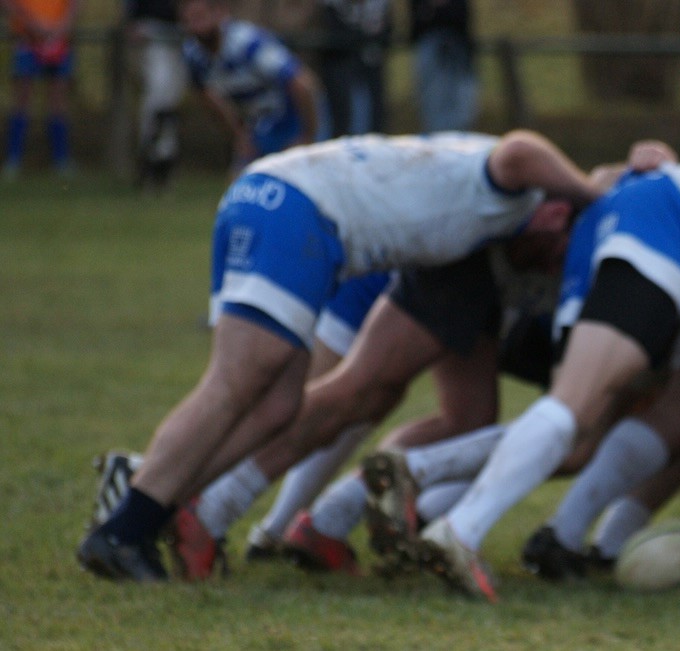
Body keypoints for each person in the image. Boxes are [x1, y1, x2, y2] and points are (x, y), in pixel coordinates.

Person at [75, 129, 599, 582]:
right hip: (295, 207)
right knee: (237, 380)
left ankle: (152, 503)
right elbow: (519, 150)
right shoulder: (520, 194)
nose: (556, 267)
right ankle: (125, 527)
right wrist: (591, 191)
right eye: (561, 251)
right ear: (556, 215)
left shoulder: (506, 223)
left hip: (306, 222)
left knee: (278, 405)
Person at [361, 142, 680, 602]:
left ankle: (422, 473)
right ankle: (459, 529)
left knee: (614, 423)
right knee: (574, 411)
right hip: (673, 227)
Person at [178, 0, 322, 172]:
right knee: (242, 186)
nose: (196, 27)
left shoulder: (247, 43)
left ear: (220, 13)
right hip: (259, 123)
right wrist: (239, 135)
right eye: (189, 20)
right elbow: (206, 96)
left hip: (292, 116)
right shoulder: (193, 54)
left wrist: (307, 136)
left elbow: (302, 82)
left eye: (201, 17)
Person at [2, 0, 78, 178]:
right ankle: (13, 160)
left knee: (58, 100)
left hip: (59, 40)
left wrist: (61, 27)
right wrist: (33, 24)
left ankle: (62, 160)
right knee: (21, 99)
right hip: (27, 39)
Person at [124, 0, 188, 192]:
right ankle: (149, 163)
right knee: (157, 100)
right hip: (152, 33)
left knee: (171, 103)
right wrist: (132, 20)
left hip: (179, 34)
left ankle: (165, 165)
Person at [316, 0, 392, 137]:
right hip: (339, 67)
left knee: (370, 120)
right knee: (344, 120)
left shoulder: (379, 5)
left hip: (370, 69)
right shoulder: (332, 7)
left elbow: (387, 32)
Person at [410, 0, 477, 132]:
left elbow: (460, 16)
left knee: (462, 104)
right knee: (434, 101)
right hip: (430, 44)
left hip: (459, 48)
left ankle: (459, 138)